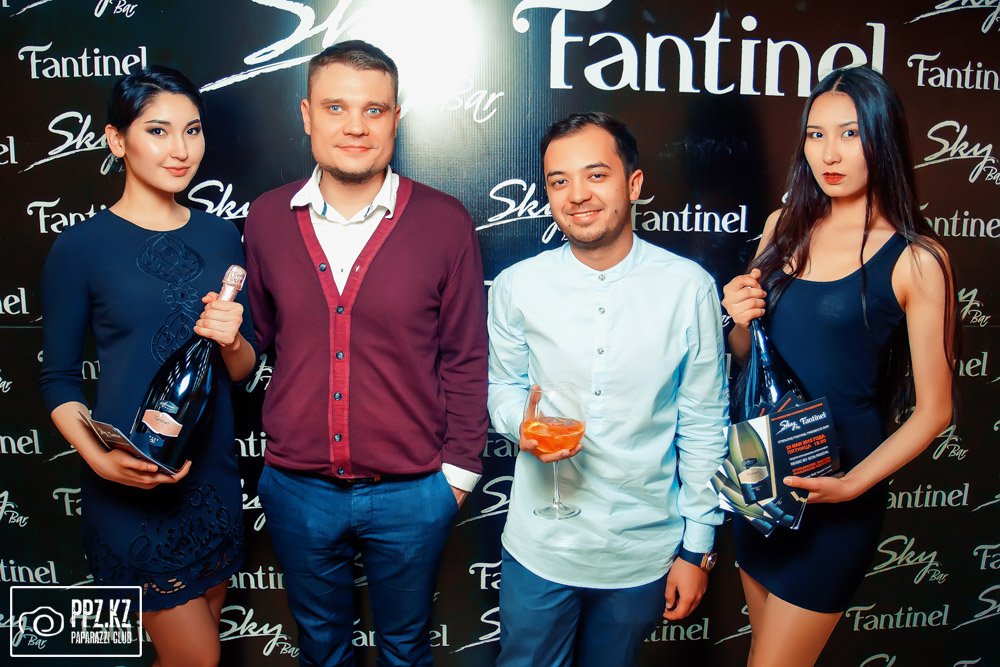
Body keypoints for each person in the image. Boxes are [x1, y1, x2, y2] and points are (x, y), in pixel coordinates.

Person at [243, 40, 488, 666]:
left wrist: (458, 477)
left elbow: (465, 356)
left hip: (414, 492)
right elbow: (255, 343)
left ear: (396, 118)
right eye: (336, 107)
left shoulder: (445, 221)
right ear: (307, 115)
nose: (355, 126)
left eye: (373, 110)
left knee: (405, 649)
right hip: (297, 489)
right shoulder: (267, 218)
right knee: (321, 648)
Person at [721, 66, 957, 667]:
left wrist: (852, 486)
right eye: (816, 134)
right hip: (763, 476)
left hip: (838, 491)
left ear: (882, 137)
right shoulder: (782, 227)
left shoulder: (917, 258)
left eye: (850, 134)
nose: (829, 153)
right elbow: (750, 358)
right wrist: (740, 320)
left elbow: (935, 410)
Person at [487, 112, 729, 667]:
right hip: (541, 545)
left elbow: (702, 422)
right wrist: (518, 423)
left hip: (641, 551)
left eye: (596, 175)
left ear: (633, 184)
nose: (577, 195)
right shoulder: (518, 285)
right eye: (559, 181)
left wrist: (698, 547)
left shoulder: (688, 288)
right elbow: (502, 385)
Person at [39, 66, 257, 667]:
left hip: (211, 484)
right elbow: (58, 378)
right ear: (117, 140)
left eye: (192, 130)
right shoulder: (80, 247)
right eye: (158, 131)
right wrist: (99, 459)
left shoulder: (223, 238)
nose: (180, 149)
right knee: (199, 660)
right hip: (129, 486)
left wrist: (231, 339)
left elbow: (241, 368)